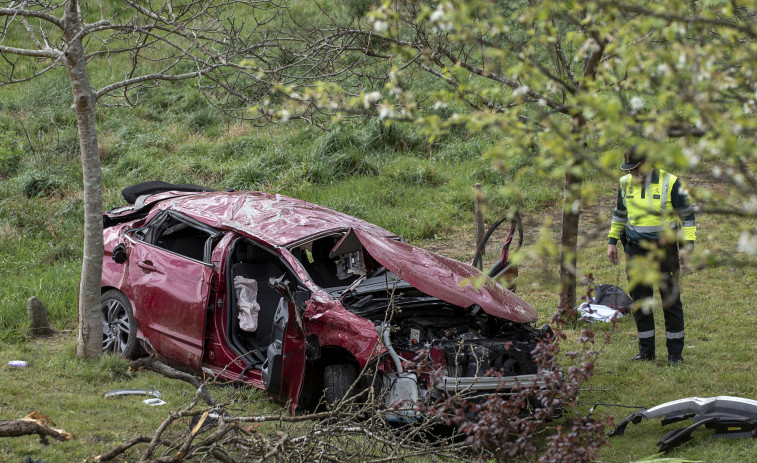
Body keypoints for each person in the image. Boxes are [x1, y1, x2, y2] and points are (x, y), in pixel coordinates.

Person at [606, 145, 696, 365]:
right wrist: (611, 241)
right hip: (635, 250)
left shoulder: (671, 182)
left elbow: (688, 217)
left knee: (670, 301)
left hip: (664, 252)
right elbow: (620, 214)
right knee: (641, 301)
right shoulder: (625, 183)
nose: (632, 174)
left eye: (636, 169)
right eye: (629, 170)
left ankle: (675, 354)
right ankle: (646, 352)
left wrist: (687, 246)